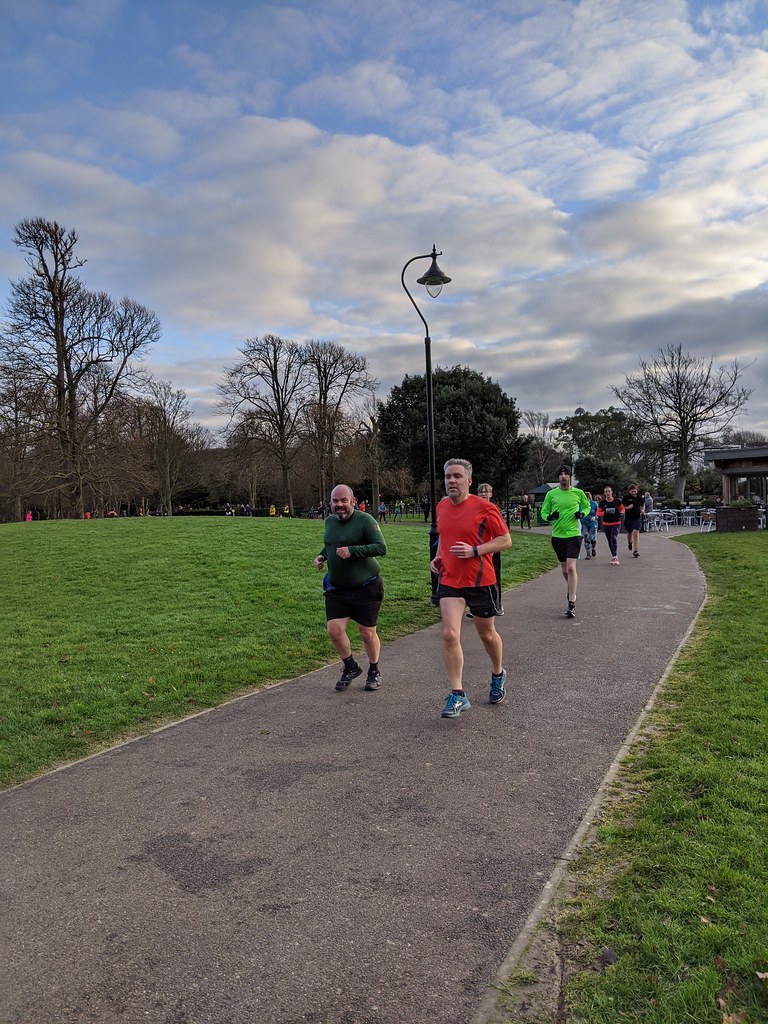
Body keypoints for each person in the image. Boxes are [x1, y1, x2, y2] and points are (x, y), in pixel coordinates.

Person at [429, 459, 512, 718]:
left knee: (486, 635)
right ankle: (458, 694)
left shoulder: (484, 508)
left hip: (480, 581)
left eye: (457, 476)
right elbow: (445, 535)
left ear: (469, 481)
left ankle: (498, 673)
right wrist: (440, 555)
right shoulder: (442, 507)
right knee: (450, 634)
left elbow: (505, 540)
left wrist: (475, 551)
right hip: (451, 580)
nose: (451, 481)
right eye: (447, 477)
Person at [313, 484, 387, 693]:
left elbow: (381, 548)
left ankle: (374, 669)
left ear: (353, 501)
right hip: (337, 587)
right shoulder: (329, 522)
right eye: (335, 501)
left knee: (367, 633)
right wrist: (322, 556)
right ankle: (350, 666)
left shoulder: (365, 520)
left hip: (366, 586)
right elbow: (330, 544)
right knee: (334, 630)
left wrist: (352, 551)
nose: (339, 505)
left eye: (344, 500)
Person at [540, 464, 590, 617]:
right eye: (561, 474)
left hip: (574, 534)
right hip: (558, 536)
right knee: (564, 569)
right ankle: (571, 589)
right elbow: (543, 511)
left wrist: (581, 514)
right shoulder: (551, 494)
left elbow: (586, 507)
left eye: (566, 474)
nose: (563, 476)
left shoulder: (578, 493)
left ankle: (572, 601)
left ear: (570, 476)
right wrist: (549, 517)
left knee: (571, 567)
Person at [476, 483, 504, 615]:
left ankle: (498, 605)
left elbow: (499, 532)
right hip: (478, 549)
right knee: (478, 578)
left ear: (491, 494)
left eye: (486, 492)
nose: (483, 494)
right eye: (481, 492)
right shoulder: (474, 510)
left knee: (494, 578)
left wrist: (492, 549)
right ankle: (478, 606)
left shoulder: (493, 509)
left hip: (492, 549)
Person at [597, 486, 624, 565]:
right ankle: (613, 555)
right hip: (606, 523)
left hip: (616, 523)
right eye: (606, 492)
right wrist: (605, 512)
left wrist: (622, 513)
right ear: (604, 493)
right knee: (609, 540)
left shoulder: (617, 501)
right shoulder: (602, 503)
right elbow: (598, 513)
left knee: (613, 538)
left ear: (611, 492)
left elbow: (622, 509)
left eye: (609, 491)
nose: (608, 493)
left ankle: (615, 556)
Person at [622, 483, 644, 558]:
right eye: (632, 491)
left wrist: (642, 510)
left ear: (637, 491)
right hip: (628, 518)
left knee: (636, 532)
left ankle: (635, 550)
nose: (634, 493)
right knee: (629, 533)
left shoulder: (640, 498)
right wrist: (627, 507)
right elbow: (622, 507)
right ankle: (629, 542)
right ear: (629, 491)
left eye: (635, 491)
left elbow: (643, 505)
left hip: (637, 517)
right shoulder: (626, 498)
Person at [580, 490, 598, 558]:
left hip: (592, 523)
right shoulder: (581, 505)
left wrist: (595, 517)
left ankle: (593, 547)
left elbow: (598, 512)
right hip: (584, 523)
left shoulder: (594, 504)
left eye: (587, 498)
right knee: (586, 537)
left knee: (592, 538)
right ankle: (588, 554)